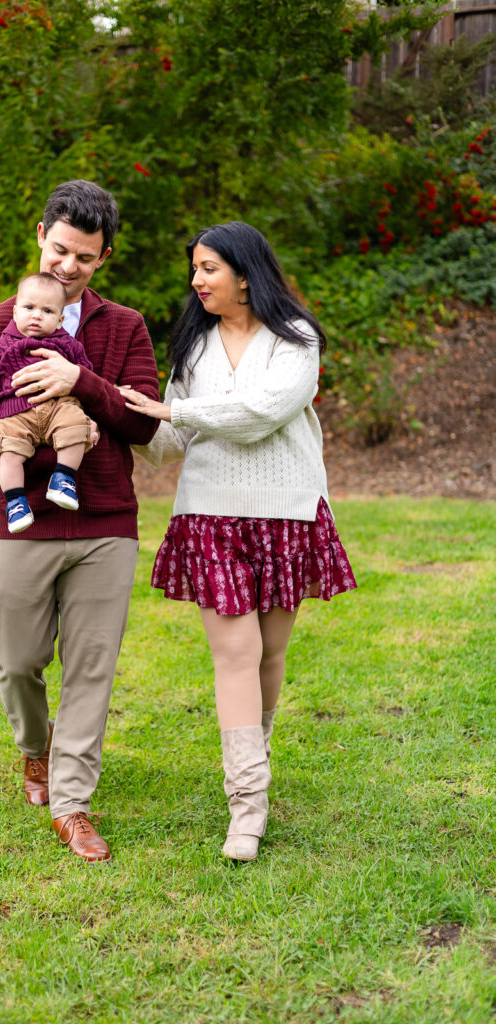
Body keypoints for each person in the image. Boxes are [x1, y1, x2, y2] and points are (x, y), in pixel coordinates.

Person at [120, 221, 357, 863]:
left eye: (207, 268)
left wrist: (174, 412)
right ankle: (247, 805)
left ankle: (256, 755)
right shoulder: (192, 349)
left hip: (288, 514)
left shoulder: (295, 339)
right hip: (211, 516)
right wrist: (123, 414)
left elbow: (262, 413)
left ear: (246, 274)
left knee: (268, 656)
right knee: (235, 653)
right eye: (194, 269)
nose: (196, 281)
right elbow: (170, 443)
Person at [0, 180, 160, 863]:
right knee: (15, 661)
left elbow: (140, 422)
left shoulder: (123, 327)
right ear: (40, 234)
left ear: (105, 258)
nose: (69, 267)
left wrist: (80, 386)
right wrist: (21, 436)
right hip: (20, 521)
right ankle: (34, 752)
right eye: (61, 250)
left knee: (91, 668)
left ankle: (71, 803)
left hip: (104, 522)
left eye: (86, 258)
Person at [0, 272, 94, 531]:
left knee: (75, 426)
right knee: (9, 454)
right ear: (15, 311)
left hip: (60, 407)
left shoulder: (70, 346)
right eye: (29, 308)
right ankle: (16, 503)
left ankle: (63, 477)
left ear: (61, 319)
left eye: (47, 311)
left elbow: (87, 379)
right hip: (14, 414)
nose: (37, 315)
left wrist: (90, 416)